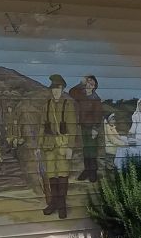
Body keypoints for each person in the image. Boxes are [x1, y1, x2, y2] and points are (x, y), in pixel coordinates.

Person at [39, 74, 77, 218]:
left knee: (62, 174)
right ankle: (53, 203)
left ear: (62, 89)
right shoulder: (46, 105)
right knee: (51, 174)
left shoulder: (68, 105)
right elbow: (42, 125)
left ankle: (62, 205)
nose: (55, 91)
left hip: (63, 144)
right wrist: (38, 145)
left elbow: (72, 128)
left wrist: (70, 148)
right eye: (53, 88)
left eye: (58, 88)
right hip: (49, 145)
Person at [70, 75, 104, 182]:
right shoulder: (82, 95)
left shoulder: (96, 99)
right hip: (83, 126)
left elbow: (98, 115)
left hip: (92, 127)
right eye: (88, 83)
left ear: (94, 86)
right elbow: (71, 92)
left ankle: (92, 172)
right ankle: (87, 170)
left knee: (92, 150)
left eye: (92, 84)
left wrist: (95, 128)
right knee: (86, 149)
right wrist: (81, 82)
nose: (89, 85)